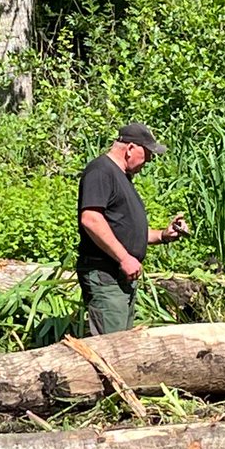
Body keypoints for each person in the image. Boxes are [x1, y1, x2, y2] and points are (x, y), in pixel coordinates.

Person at [76, 122, 191, 335]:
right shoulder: (101, 171)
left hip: (121, 278)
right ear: (130, 148)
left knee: (123, 342)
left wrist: (164, 235)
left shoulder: (122, 177)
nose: (149, 160)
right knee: (112, 347)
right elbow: (91, 219)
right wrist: (124, 258)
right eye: (147, 154)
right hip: (106, 275)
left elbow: (124, 231)